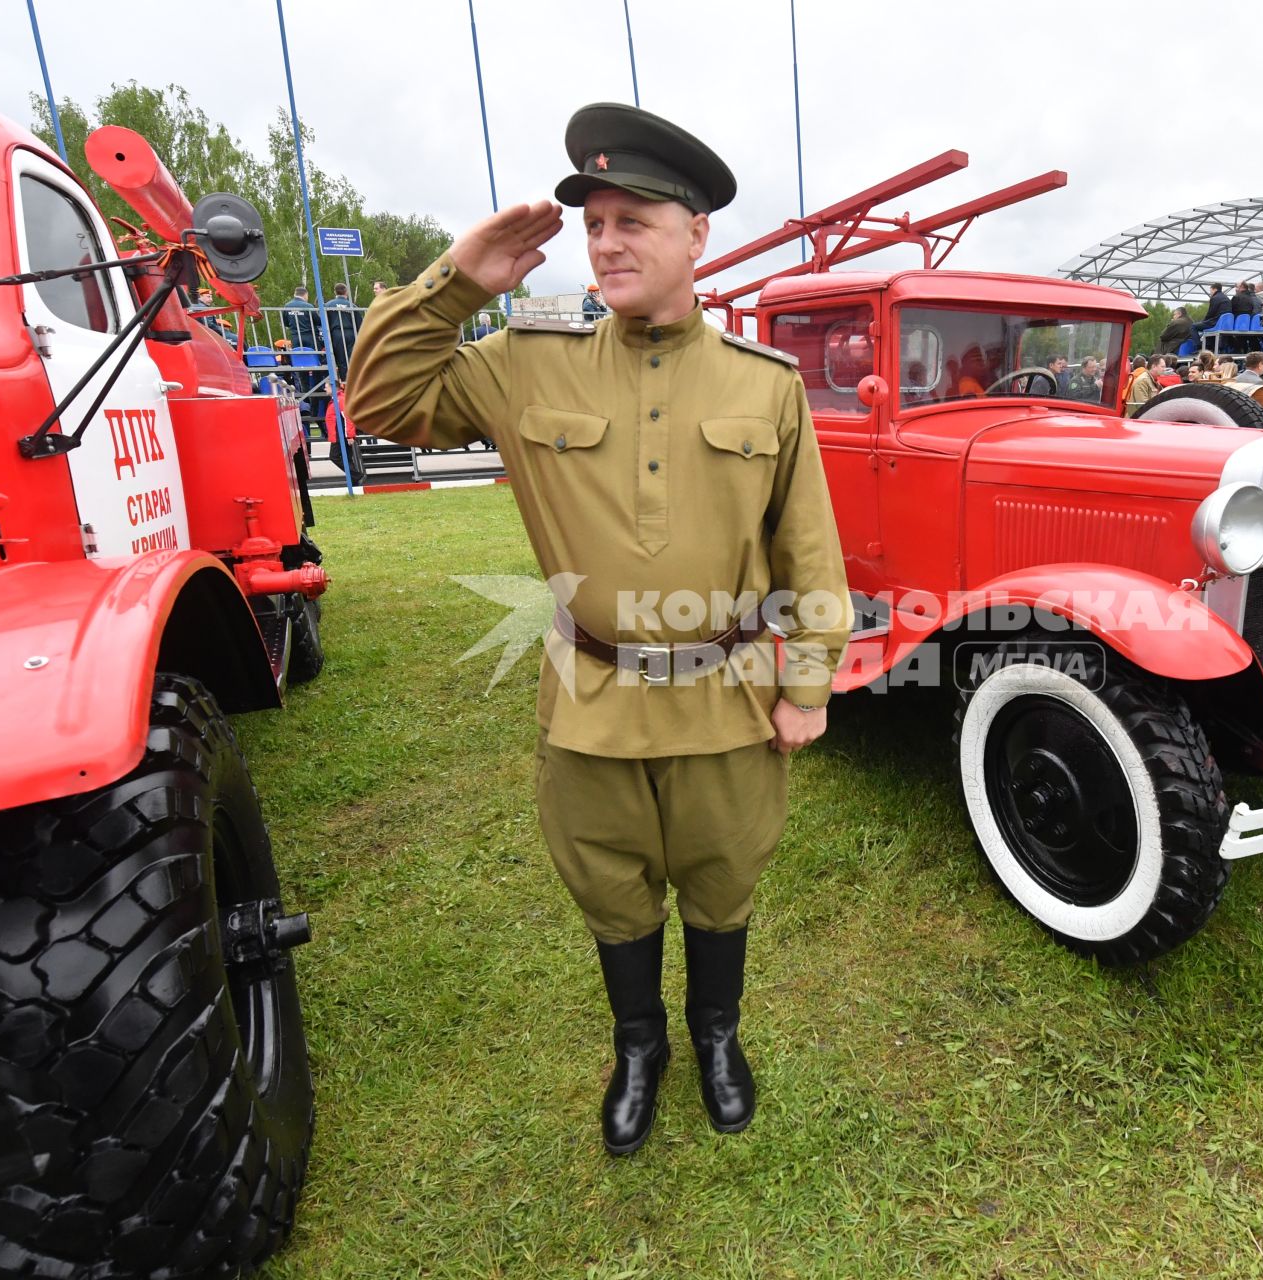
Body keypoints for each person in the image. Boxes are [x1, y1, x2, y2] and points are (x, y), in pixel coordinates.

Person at [348, 103, 850, 1156]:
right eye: (594, 222)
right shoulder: (529, 362)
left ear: (697, 231)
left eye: (634, 219)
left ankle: (718, 1037)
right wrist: (459, 279)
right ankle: (640, 1046)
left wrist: (807, 684)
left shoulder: (765, 385)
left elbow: (808, 546)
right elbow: (381, 398)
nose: (608, 241)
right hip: (592, 696)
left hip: (726, 695)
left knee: (723, 877)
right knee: (611, 886)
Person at [324, 282, 361, 377]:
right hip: (350, 333)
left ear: (335, 292)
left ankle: (344, 381)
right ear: (346, 292)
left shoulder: (328, 305)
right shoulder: (352, 306)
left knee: (340, 359)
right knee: (351, 359)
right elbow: (359, 323)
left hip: (336, 334)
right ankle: (352, 381)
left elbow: (323, 321)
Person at [283, 284, 320, 349]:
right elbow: (318, 321)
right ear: (305, 295)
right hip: (309, 337)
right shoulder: (308, 306)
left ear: (295, 294)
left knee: (298, 356)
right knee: (311, 356)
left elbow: (285, 322)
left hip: (295, 337)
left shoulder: (287, 306)